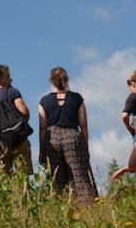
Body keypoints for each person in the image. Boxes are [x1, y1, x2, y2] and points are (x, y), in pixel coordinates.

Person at [37, 67, 98, 204]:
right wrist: (85, 147)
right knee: (80, 177)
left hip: (52, 138)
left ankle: (58, 208)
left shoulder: (44, 101)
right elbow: (84, 125)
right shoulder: (77, 98)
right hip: (73, 136)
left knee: (56, 178)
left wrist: (42, 150)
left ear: (51, 81)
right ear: (66, 79)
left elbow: (42, 127)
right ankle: (86, 208)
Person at [0, 64, 33, 175]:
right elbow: (24, 112)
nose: (10, 79)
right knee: (23, 175)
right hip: (19, 139)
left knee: (4, 179)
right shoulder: (12, 92)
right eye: (7, 76)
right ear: (0, 78)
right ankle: (23, 192)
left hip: (0, 143)